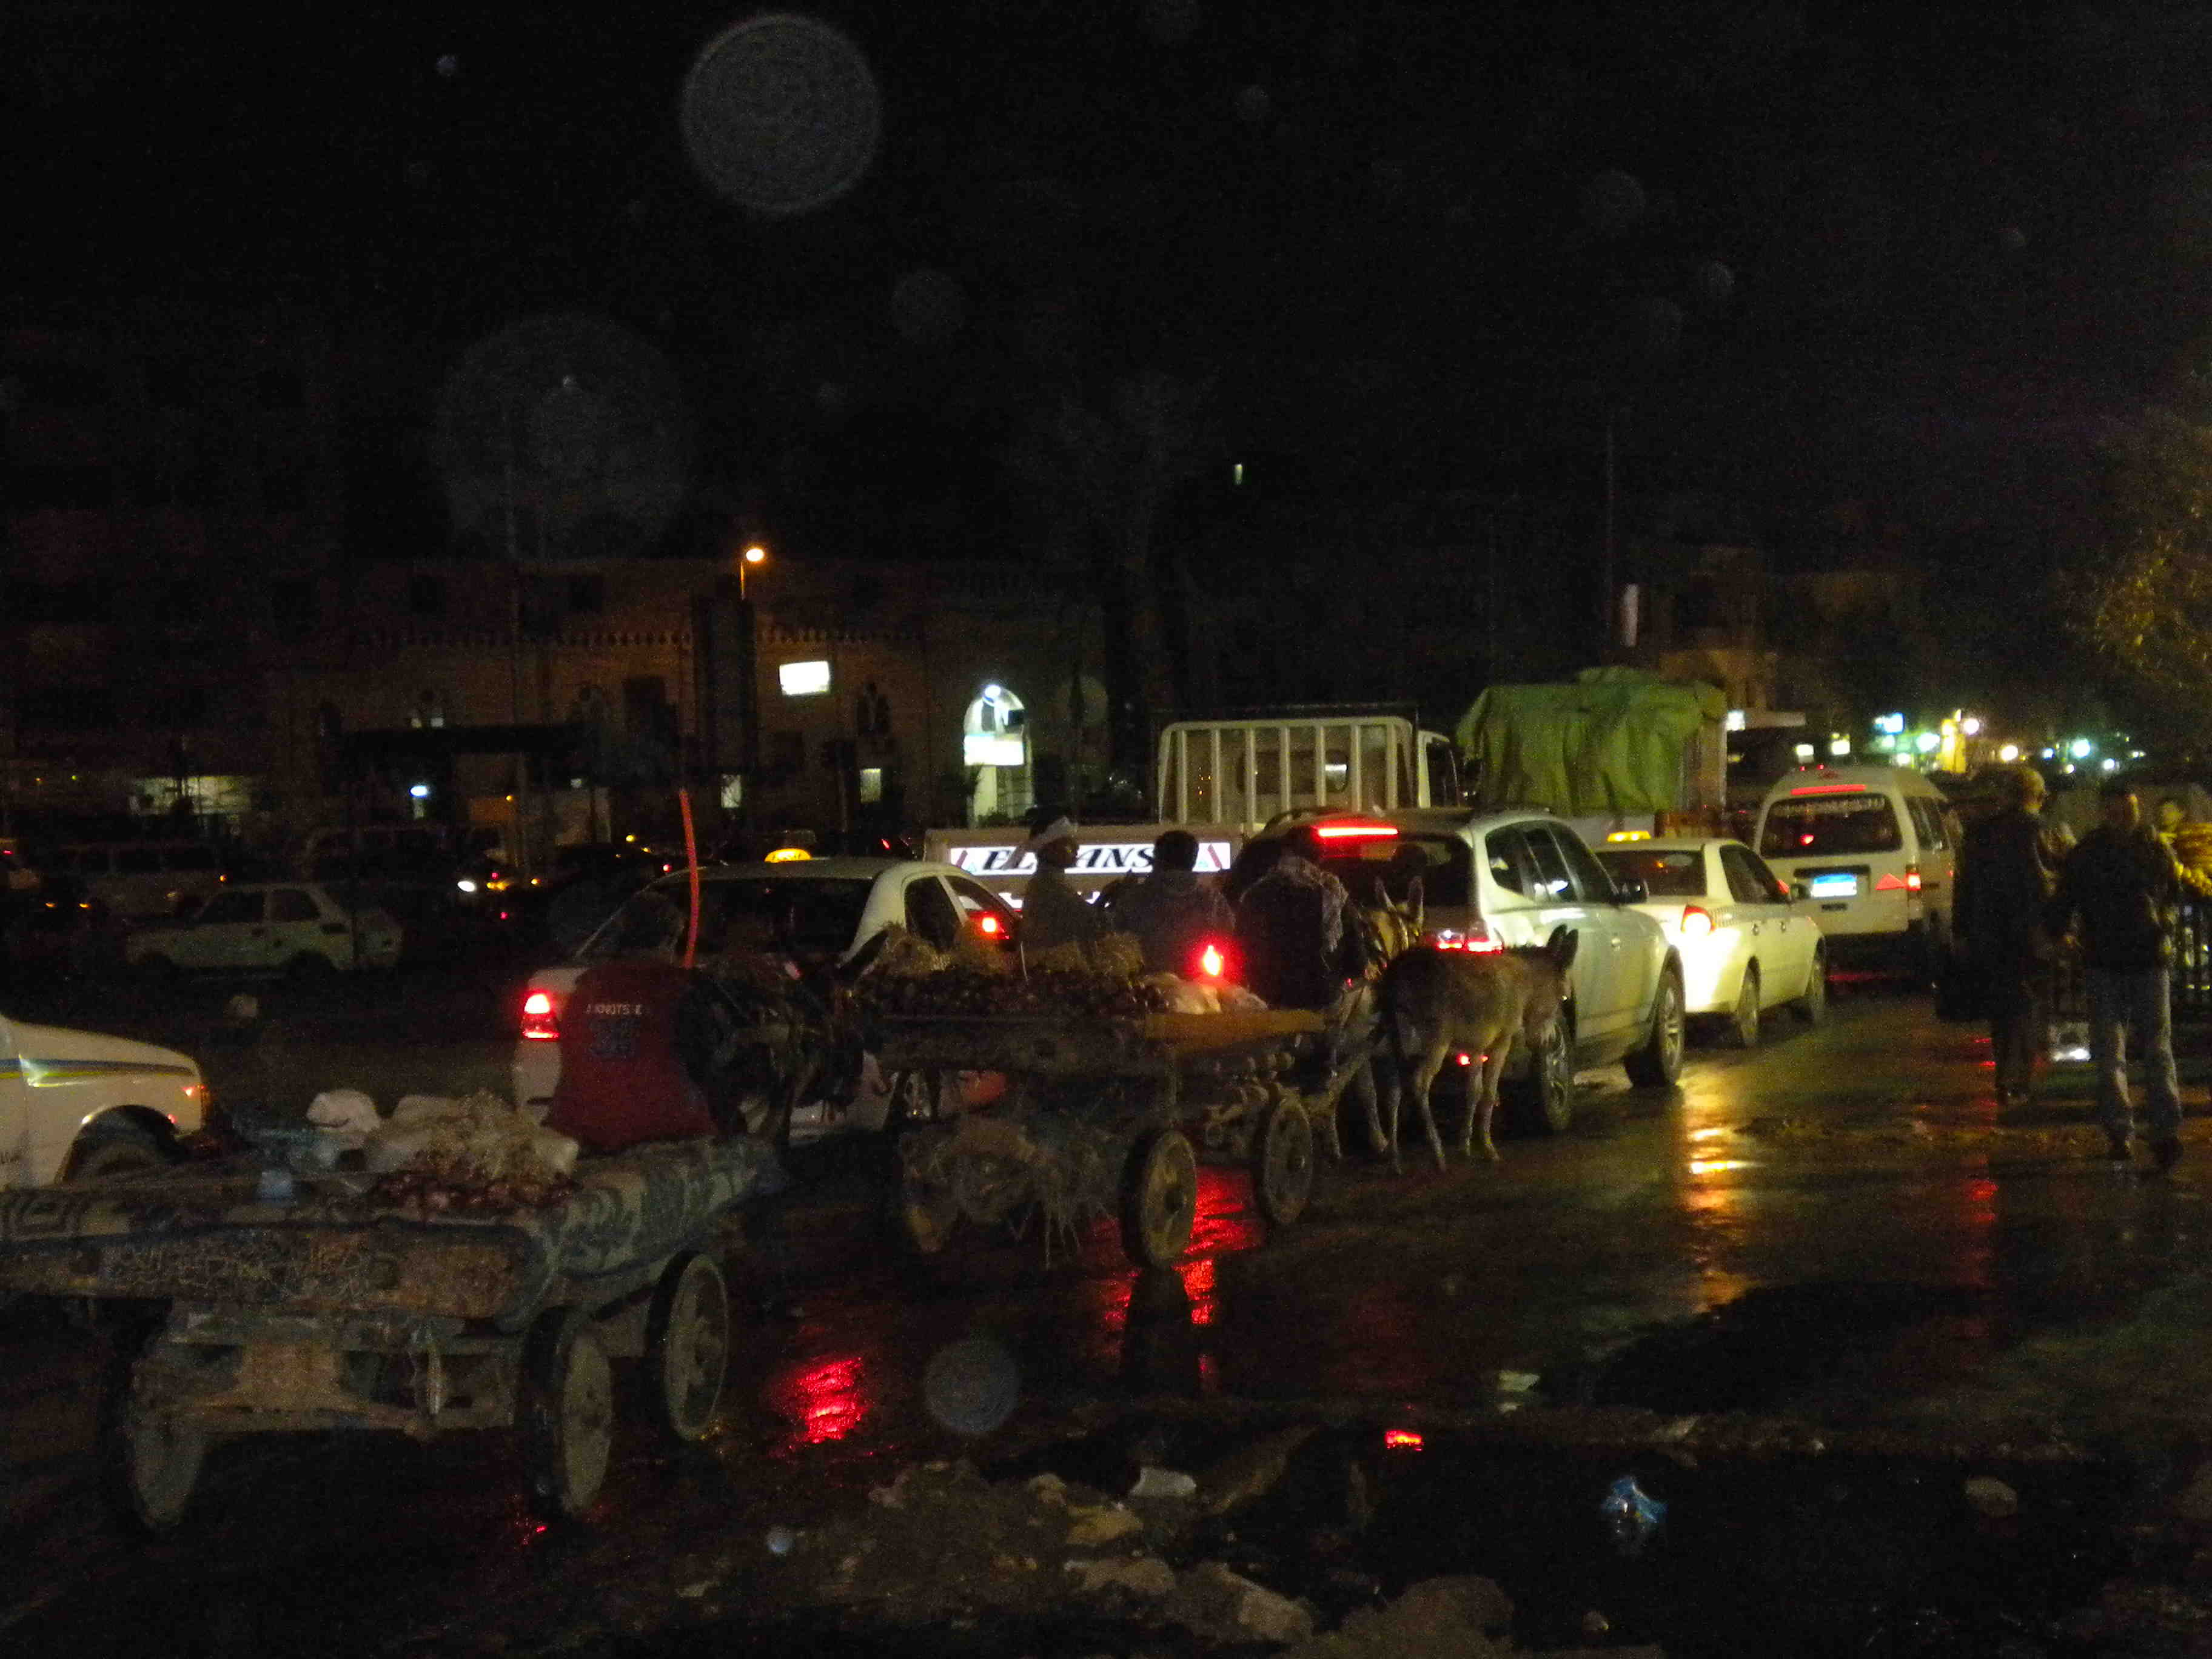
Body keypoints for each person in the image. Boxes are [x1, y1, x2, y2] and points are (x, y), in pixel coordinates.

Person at [2048, 780, 2186, 1170]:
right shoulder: (2128, 848)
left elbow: (2172, 894)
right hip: (2121, 959)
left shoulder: (2119, 849)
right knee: (2136, 1051)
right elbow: (2066, 899)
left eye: (2127, 810)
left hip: (2128, 958)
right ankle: (2144, 1131)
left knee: (2132, 1051)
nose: (2124, 817)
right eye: (2119, 810)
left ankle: (2142, 1131)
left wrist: (2061, 933)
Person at [1953, 765, 2061, 1108]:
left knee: (2002, 1010)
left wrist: (1962, 930)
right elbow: (2048, 882)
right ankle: (2021, 1080)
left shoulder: (1980, 834)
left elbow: (1964, 886)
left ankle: (2004, 1075)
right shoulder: (2040, 830)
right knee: (2029, 1006)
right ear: (2038, 796)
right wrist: (2059, 928)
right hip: (2030, 934)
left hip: (1990, 933)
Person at [1234, 828, 1369, 1010]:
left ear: (1284, 852)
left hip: (1268, 1002)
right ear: (1321, 856)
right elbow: (1357, 961)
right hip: (1322, 1000)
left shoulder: (1256, 894)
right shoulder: (1333, 893)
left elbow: (1239, 952)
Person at [1104, 828, 1234, 976]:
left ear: (1159, 859)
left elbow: (1112, 942)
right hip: (1200, 984)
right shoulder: (1212, 901)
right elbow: (1228, 941)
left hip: (1146, 985)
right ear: (1193, 860)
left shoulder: (1134, 899)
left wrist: (1113, 901)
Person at [1017, 810, 1104, 953]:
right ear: (1048, 849)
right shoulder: (1048, 887)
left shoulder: (1051, 883)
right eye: (1067, 842)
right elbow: (1090, 922)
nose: (1076, 847)